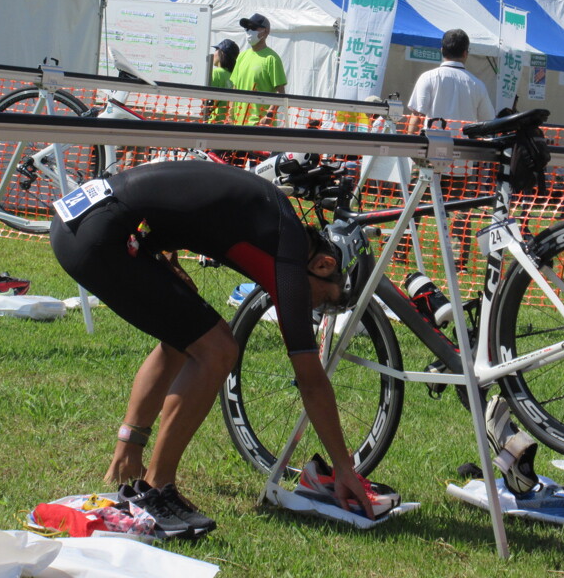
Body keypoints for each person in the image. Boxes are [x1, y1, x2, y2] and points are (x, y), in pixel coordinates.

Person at [49, 161, 376, 531]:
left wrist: (165, 261)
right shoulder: (289, 257)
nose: (316, 308)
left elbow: (177, 202)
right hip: (98, 229)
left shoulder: (278, 225)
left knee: (184, 337)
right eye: (326, 299)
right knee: (217, 348)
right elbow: (311, 380)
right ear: (324, 264)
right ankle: (156, 492)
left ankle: (128, 452)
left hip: (86, 218)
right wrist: (345, 468)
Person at [405, 29, 494, 268]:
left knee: (413, 205)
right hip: (462, 158)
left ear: (442, 50)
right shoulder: (477, 85)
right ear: (466, 53)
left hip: (427, 154)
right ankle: (458, 260)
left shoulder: (428, 77)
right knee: (459, 210)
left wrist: (406, 145)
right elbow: (487, 123)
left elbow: (417, 115)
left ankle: (400, 249)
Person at [227, 13, 287, 127]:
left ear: (266, 31)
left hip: (259, 126)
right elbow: (234, 88)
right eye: (247, 28)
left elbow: (281, 93)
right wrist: (230, 114)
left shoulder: (272, 58)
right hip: (237, 123)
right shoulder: (241, 56)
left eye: (254, 28)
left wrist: (268, 116)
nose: (250, 31)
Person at [203, 39, 239, 123]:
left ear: (221, 53)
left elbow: (208, 102)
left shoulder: (216, 73)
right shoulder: (234, 76)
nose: (214, 53)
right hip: (228, 122)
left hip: (213, 121)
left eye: (216, 50)